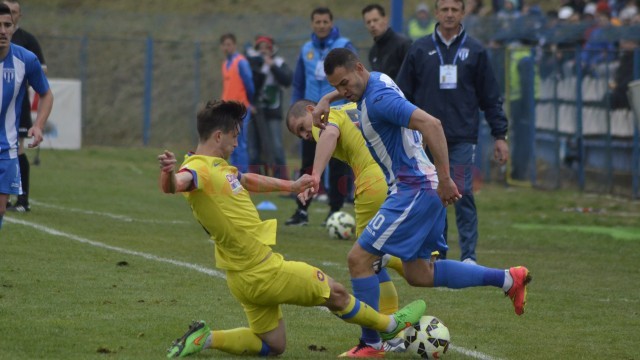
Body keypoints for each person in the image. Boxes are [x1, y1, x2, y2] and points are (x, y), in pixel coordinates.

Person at [158, 99, 426, 358]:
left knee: (273, 344)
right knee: (337, 293)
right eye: (234, 137)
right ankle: (391, 327)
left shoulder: (217, 166)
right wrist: (169, 173)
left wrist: (293, 185)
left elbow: (247, 179)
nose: (237, 143)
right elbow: (176, 184)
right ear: (218, 136)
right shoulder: (196, 170)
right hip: (263, 271)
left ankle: (206, 338)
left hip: (240, 278)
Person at [312, 48, 531, 356]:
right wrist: (327, 99)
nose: (343, 91)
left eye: (345, 84)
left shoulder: (378, 101)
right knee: (419, 274)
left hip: (412, 188)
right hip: (418, 186)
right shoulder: (376, 80)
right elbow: (353, 87)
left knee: (358, 259)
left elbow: (433, 125)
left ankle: (371, 344)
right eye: (338, 87)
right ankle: (508, 278)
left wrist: (445, 178)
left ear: (359, 68)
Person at [286, 100, 411, 354]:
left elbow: (329, 133)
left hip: (371, 183)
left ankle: (380, 336)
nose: (305, 135)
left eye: (301, 127)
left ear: (311, 110)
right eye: (299, 134)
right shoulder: (353, 103)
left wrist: (316, 176)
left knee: (363, 260)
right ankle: (391, 326)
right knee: (371, 257)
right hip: (398, 174)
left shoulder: (323, 119)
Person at [395, 0, 510, 265]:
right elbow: (402, 95)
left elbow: (490, 97)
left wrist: (500, 136)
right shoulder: (419, 49)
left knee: (463, 193)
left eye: (454, 10)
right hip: (423, 138)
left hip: (461, 137)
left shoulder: (476, 51)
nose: (449, 14)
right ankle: (438, 254)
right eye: (444, 9)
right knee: (432, 196)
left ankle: (469, 256)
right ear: (436, 13)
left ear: (463, 13)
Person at [286, 6, 357, 226]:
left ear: (332, 22)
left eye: (325, 21)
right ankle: (302, 210)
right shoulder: (306, 49)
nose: (321, 25)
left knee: (338, 164)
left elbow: (354, 76)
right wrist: (295, 111)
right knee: (308, 164)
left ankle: (334, 210)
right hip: (309, 117)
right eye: (317, 22)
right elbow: (298, 83)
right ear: (312, 24)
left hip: (336, 115)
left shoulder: (343, 45)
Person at [0, 2, 53, 230]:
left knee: (1, 209)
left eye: (7, 25)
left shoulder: (26, 59)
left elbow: (46, 94)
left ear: (14, 27)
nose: (2, 31)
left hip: (6, 149)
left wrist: (39, 125)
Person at [245, 35, 291, 179]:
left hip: (272, 112)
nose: (264, 51)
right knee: (254, 147)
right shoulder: (251, 64)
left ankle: (281, 177)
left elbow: (287, 79)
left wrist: (271, 66)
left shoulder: (278, 62)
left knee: (276, 146)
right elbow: (250, 84)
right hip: (255, 111)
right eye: (261, 48)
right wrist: (260, 66)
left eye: (267, 48)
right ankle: (256, 178)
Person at [220, 33, 253, 173]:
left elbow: (250, 85)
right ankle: (234, 174)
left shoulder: (241, 62)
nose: (227, 48)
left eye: (229, 44)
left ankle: (243, 176)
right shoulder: (225, 64)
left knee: (240, 143)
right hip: (228, 110)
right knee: (229, 143)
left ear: (234, 45)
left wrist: (250, 103)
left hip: (241, 109)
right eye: (224, 45)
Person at [362, 4, 412, 80]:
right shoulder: (372, 52)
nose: (372, 25)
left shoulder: (403, 44)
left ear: (385, 19)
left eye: (375, 20)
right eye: (368, 22)